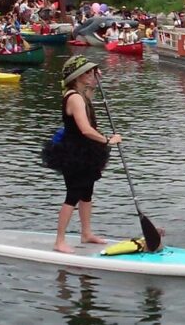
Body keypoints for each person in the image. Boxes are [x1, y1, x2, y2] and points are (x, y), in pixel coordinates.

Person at [53, 55, 121, 253]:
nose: (92, 75)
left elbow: (89, 99)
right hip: (74, 152)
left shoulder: (81, 94)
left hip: (86, 151)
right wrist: (108, 140)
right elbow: (85, 129)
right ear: (78, 76)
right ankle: (59, 241)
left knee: (87, 193)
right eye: (88, 73)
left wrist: (96, 80)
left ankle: (86, 233)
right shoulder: (73, 97)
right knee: (73, 195)